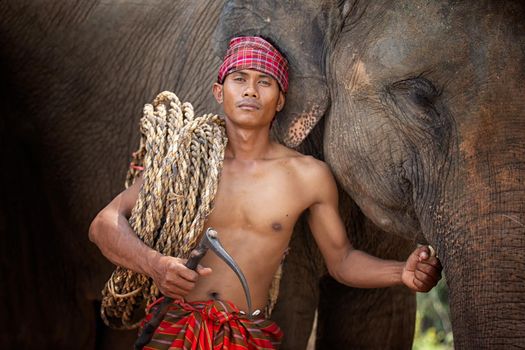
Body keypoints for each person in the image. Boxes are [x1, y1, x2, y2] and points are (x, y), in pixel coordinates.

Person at [89, 36, 442, 349]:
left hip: (247, 336)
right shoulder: (185, 160)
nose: (250, 91)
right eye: (239, 79)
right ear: (219, 92)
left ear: (280, 100)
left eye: (265, 82)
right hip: (177, 329)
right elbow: (103, 224)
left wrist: (402, 273)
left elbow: (342, 260)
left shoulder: (307, 177)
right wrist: (155, 264)